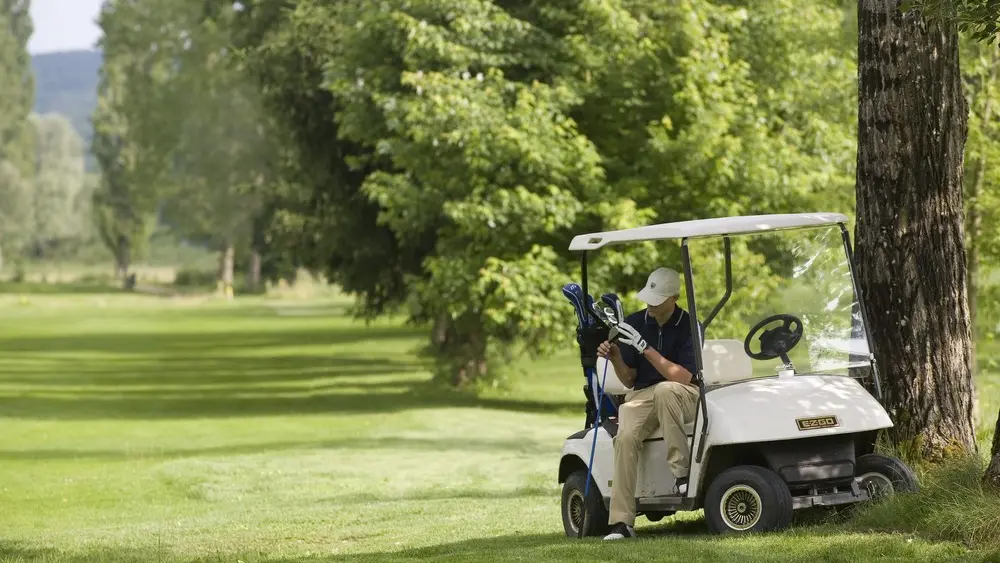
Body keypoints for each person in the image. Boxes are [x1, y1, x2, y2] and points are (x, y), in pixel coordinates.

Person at [598, 267, 700, 541]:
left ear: (674, 297)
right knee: (625, 438)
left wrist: (646, 348)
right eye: (649, 297)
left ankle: (682, 475)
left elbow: (683, 376)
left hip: (682, 393)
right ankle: (621, 523)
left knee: (666, 390)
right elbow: (630, 380)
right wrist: (616, 356)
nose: (650, 303)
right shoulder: (634, 322)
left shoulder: (689, 325)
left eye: (658, 298)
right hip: (642, 396)